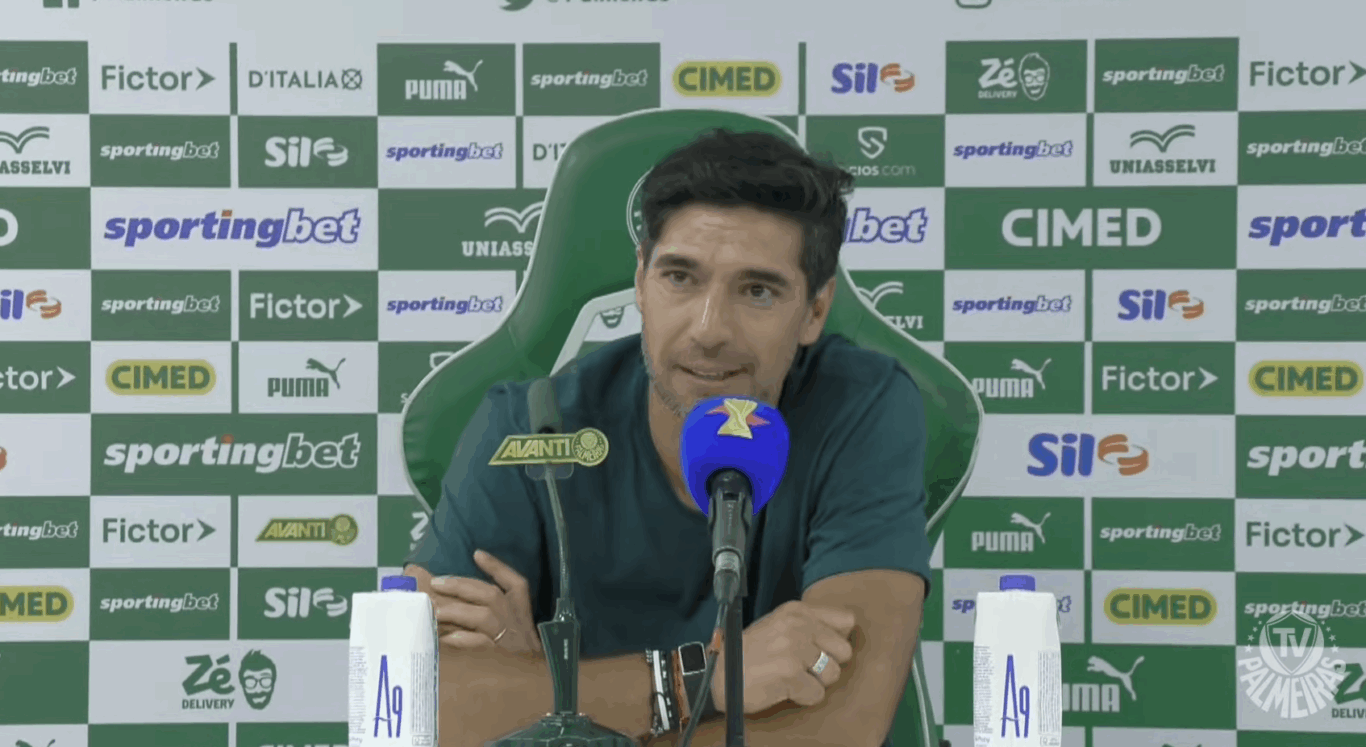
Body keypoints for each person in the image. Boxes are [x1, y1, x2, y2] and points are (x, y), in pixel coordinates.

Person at [404, 128, 932, 747]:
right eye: (681, 278)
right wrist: (694, 683)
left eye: (757, 291)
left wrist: (549, 698)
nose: (709, 330)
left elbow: (840, 728)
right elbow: (418, 707)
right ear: (640, 281)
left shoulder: (862, 406)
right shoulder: (529, 427)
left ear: (815, 309)